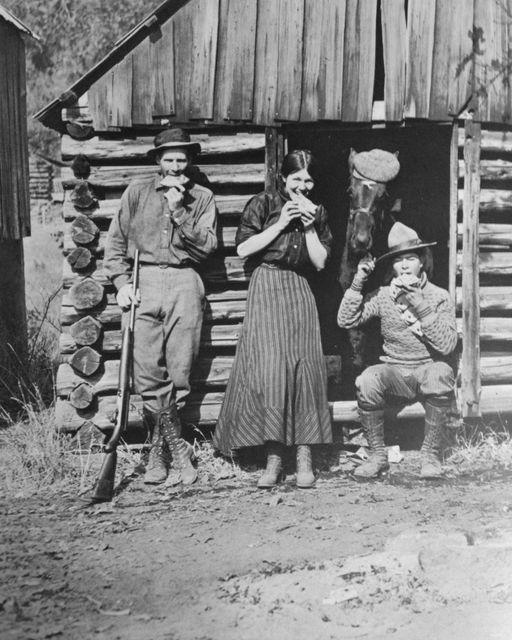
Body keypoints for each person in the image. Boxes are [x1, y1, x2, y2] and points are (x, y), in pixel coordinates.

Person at [104, 128, 218, 485]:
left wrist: (178, 211)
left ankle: (159, 452)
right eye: (168, 159)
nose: (175, 165)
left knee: (180, 371)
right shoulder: (136, 193)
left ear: (190, 161)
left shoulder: (201, 197)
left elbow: (207, 248)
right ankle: (178, 450)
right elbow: (115, 245)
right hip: (145, 283)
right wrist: (122, 285)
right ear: (158, 161)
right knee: (147, 372)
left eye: (181, 159)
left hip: (185, 282)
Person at [213, 149, 333, 489]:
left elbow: (321, 262)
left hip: (300, 286)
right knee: (272, 369)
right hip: (266, 283)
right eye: (297, 179)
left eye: (309, 180)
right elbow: (242, 249)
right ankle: (275, 455)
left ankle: (305, 454)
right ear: (283, 177)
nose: (304, 186)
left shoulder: (318, 212)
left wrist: (310, 229)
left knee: (305, 366)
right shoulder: (263, 203)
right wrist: (281, 223)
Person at [337, 222, 458, 479]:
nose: (404, 265)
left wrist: (421, 307)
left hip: (426, 370)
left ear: (422, 262)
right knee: (368, 379)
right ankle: (377, 456)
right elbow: (346, 320)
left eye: (411, 258)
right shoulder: (383, 295)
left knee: (441, 371)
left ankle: (430, 456)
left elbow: (447, 345)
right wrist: (359, 280)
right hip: (394, 371)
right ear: (392, 266)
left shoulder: (439, 296)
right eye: (398, 260)